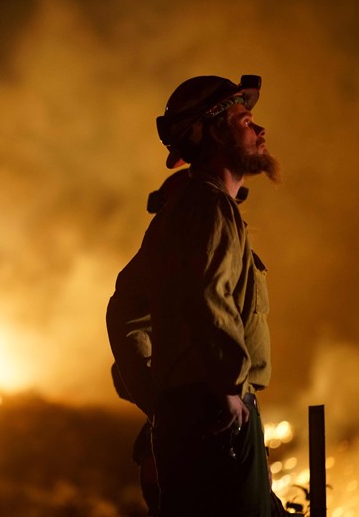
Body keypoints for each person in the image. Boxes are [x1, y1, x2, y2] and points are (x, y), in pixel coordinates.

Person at [107, 75, 280, 516]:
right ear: (218, 131)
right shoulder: (209, 206)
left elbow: (124, 308)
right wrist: (226, 388)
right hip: (219, 411)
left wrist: (156, 397)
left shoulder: (180, 214)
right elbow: (211, 293)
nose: (259, 131)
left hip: (193, 412)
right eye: (246, 119)